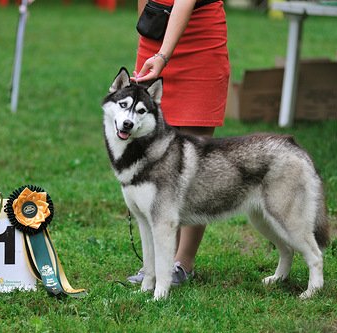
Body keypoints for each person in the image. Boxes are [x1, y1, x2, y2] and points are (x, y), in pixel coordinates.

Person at [127, 0, 230, 285]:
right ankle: (156, 262)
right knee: (153, 154)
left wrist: (163, 53)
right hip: (157, 35)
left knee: (196, 161)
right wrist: (147, 37)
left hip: (201, 39)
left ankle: (182, 262)